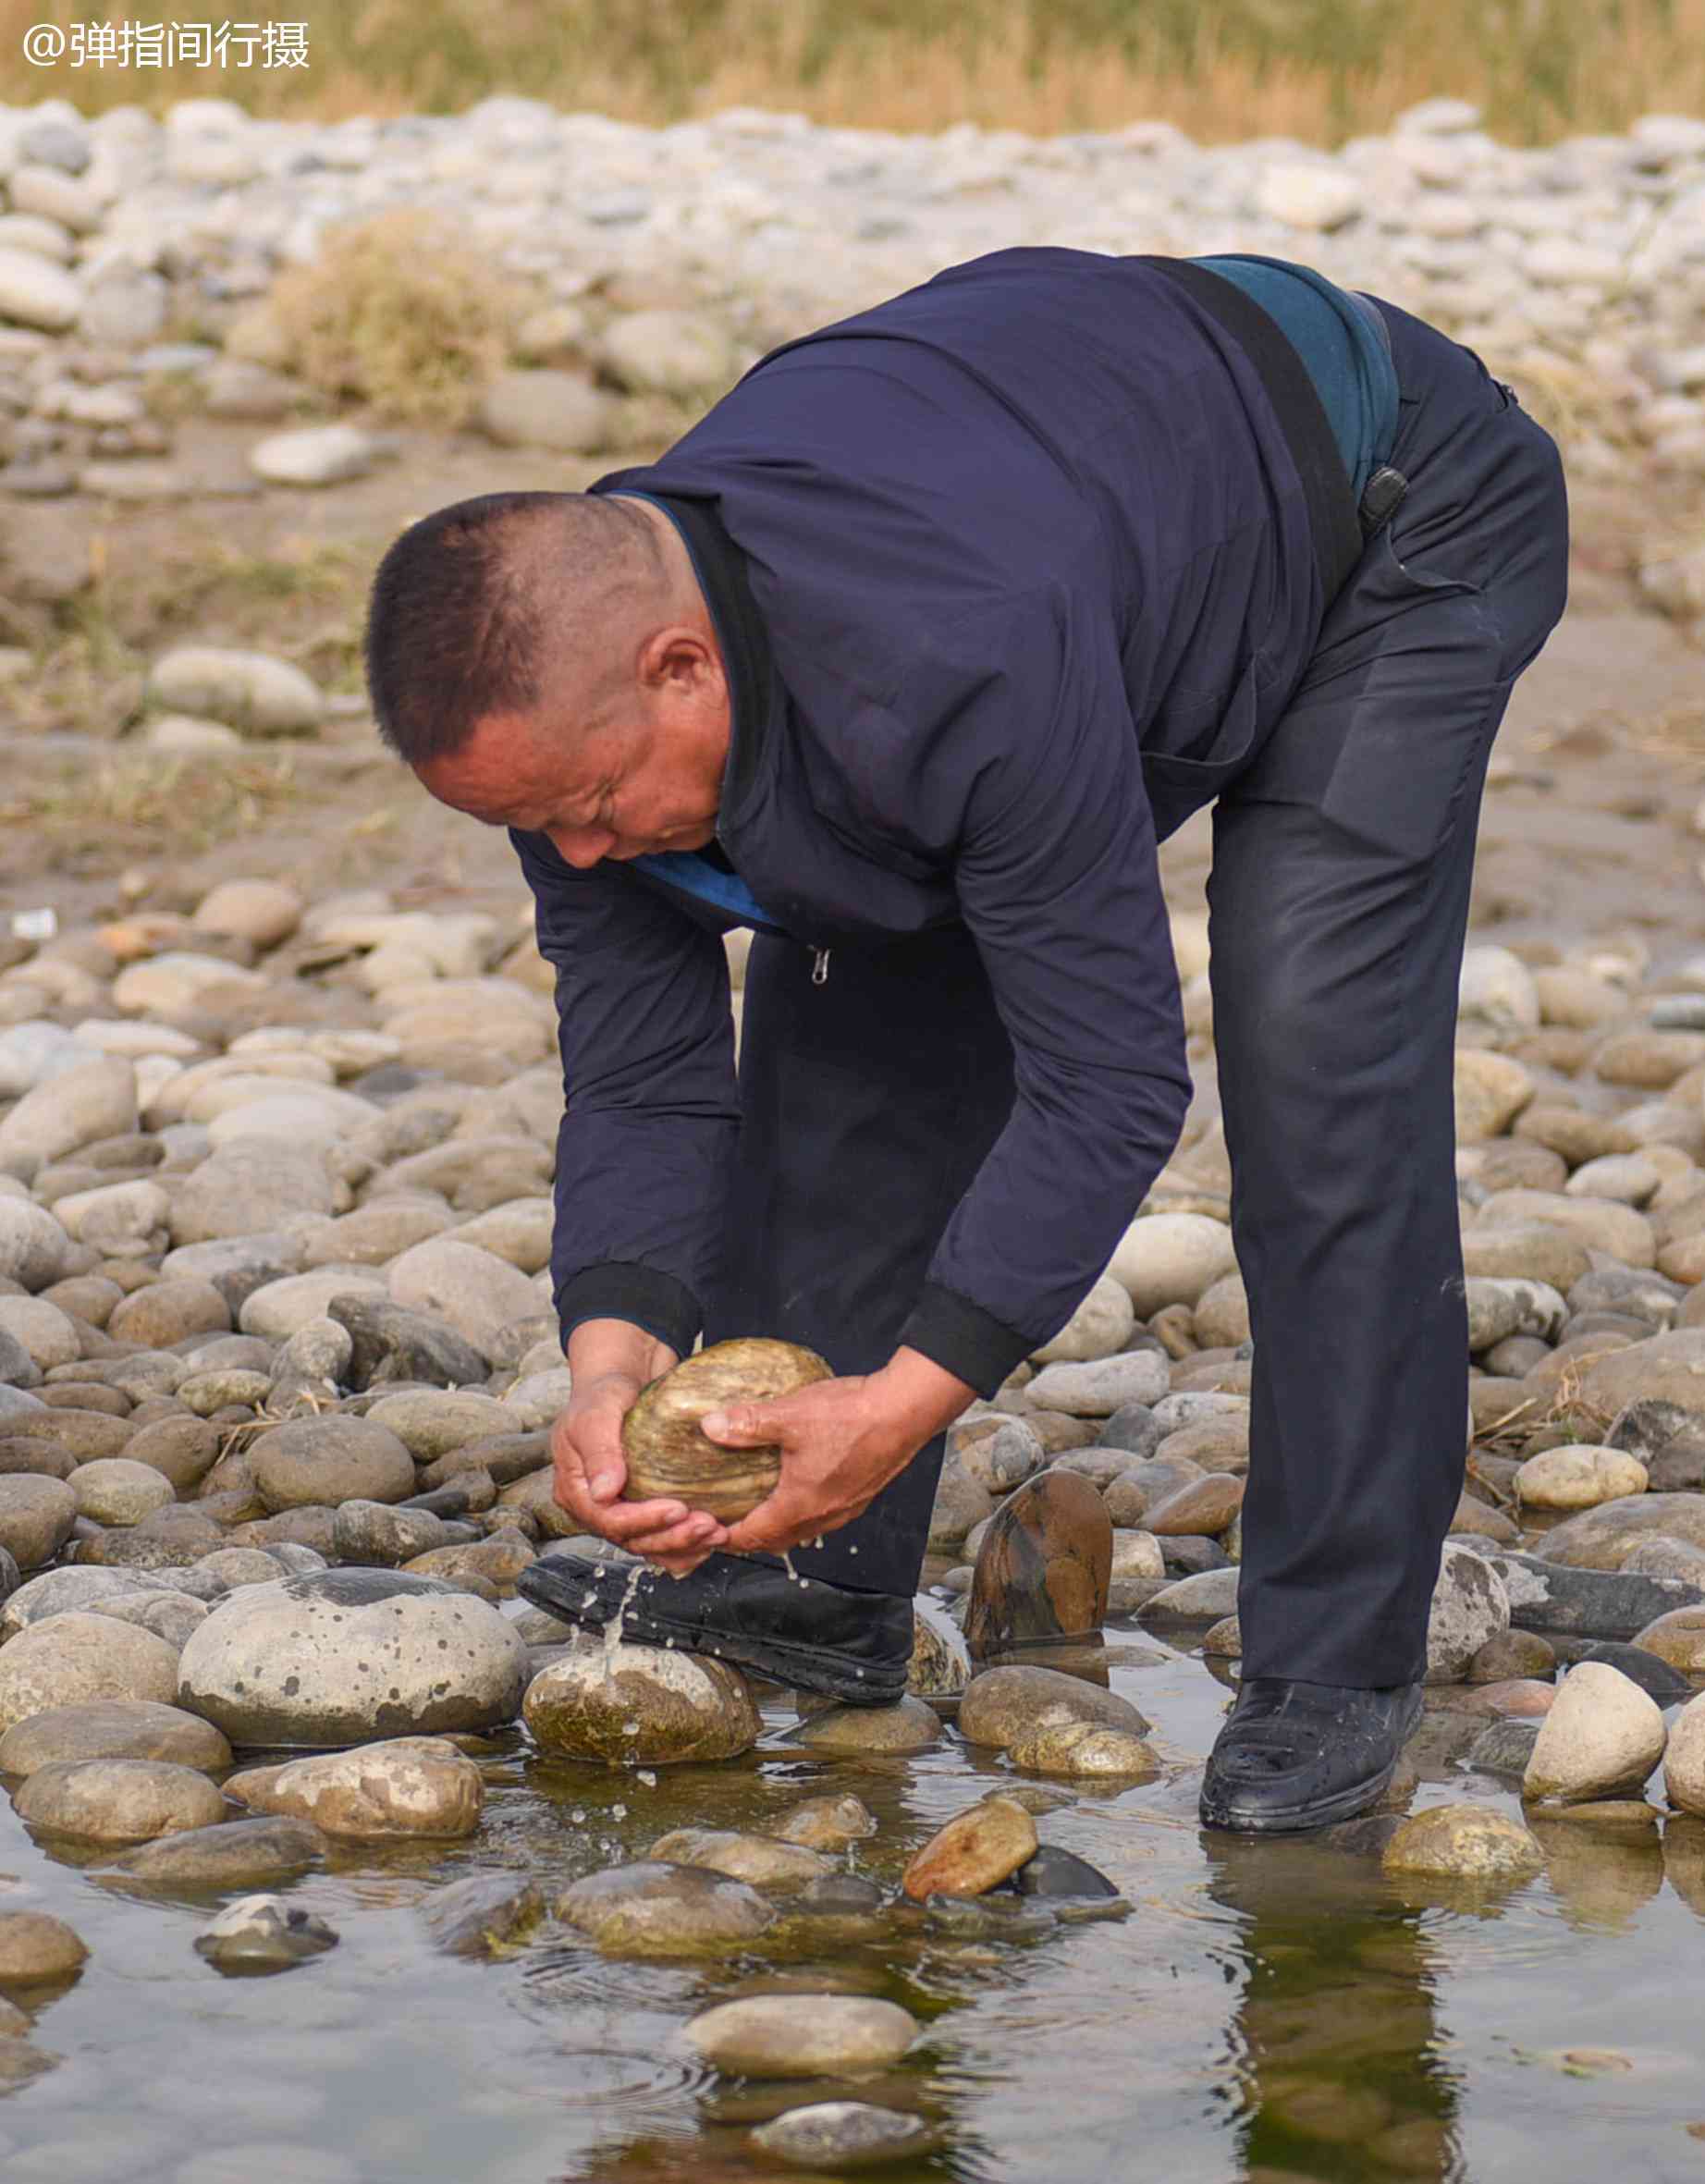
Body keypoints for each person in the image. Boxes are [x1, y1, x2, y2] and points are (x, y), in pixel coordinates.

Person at [363, 248, 1567, 1832]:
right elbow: (646, 1071)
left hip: (1393, 511)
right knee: (858, 970)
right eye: (536, 825)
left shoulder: (955, 654)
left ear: (683, 667)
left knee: (1315, 1059)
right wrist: (611, 1364)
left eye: (588, 809)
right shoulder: (558, 695)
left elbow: (1112, 1078)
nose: (579, 857)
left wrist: (909, 1397)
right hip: (1092, 514)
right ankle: (807, 1576)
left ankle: (1334, 1666)